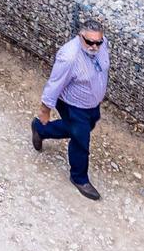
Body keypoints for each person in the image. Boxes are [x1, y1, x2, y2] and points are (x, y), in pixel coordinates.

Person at [33, 24, 110, 201]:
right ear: (80, 36)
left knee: (84, 126)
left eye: (98, 42)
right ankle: (79, 178)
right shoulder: (69, 57)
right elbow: (54, 84)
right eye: (90, 42)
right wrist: (45, 110)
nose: (94, 47)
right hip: (73, 105)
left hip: (91, 104)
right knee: (81, 138)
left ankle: (40, 130)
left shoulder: (101, 45)